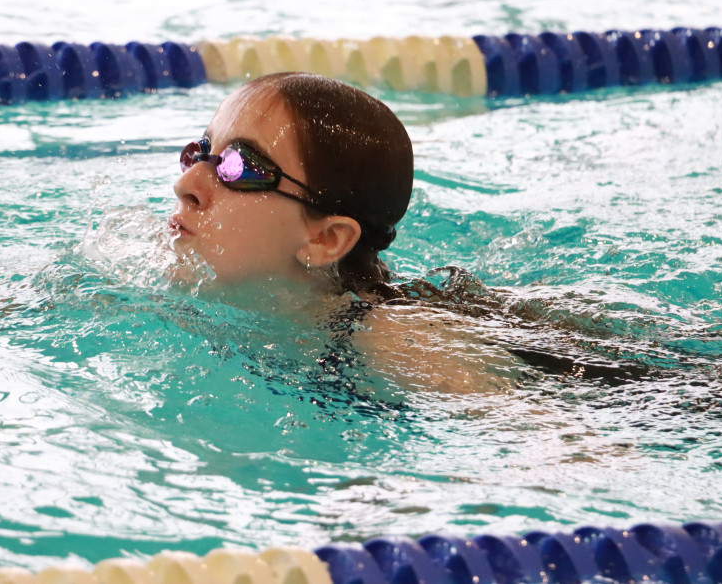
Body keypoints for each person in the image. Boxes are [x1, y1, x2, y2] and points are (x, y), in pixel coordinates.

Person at [169, 72, 519, 393]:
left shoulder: (399, 345)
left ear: (327, 239)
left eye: (239, 166)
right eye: (200, 152)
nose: (185, 184)